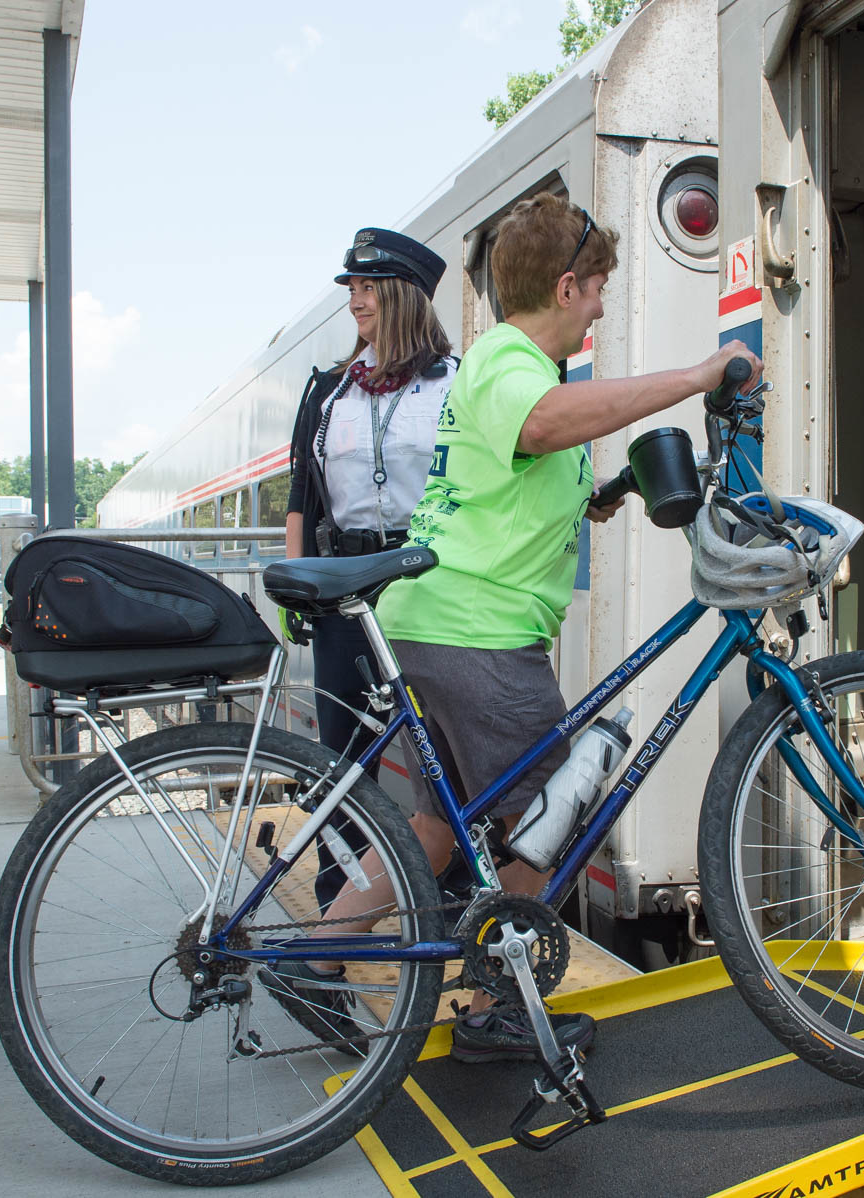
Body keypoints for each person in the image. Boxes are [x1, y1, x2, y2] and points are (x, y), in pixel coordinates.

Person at [270, 193, 761, 1063]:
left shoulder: (514, 369)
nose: (604, 306)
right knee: (552, 811)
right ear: (566, 286)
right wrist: (692, 378)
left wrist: (604, 494)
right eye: (599, 288)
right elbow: (537, 426)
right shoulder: (508, 363)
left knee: (433, 828)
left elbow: (524, 462)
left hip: (438, 619)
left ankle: (314, 959)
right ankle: (498, 1009)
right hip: (478, 633)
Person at [283, 228, 456, 907]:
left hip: (429, 582)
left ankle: (453, 898)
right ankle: (337, 899)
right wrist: (299, 584)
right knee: (341, 760)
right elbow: (302, 496)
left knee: (440, 751)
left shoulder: (457, 383)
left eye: (367, 289)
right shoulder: (326, 391)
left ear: (404, 296)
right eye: (350, 289)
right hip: (344, 589)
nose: (354, 301)